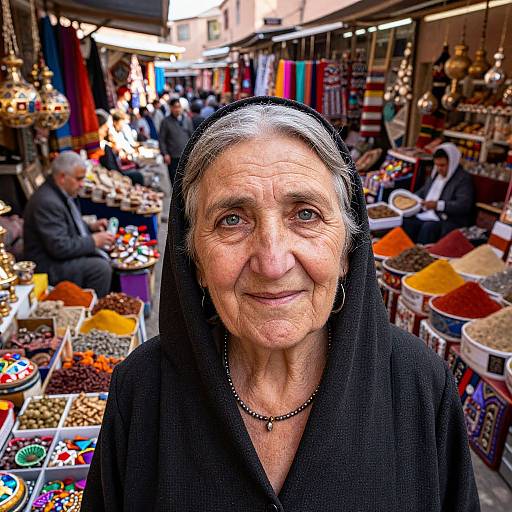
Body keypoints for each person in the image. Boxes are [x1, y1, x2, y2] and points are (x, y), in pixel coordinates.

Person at [82, 98, 479, 511]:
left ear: (346, 248)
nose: (272, 263)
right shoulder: (142, 390)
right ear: (194, 259)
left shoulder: (419, 383)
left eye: (305, 215)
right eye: (232, 220)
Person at [23, 152, 114, 297]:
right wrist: (93, 240)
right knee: (100, 269)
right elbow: (60, 247)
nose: (82, 184)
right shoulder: (47, 202)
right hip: (48, 265)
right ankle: (92, 311)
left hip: (57, 257)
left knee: (108, 254)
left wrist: (90, 227)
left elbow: (67, 223)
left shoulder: (60, 193)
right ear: (62, 177)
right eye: (78, 179)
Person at [403, 143, 474, 244]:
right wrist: (411, 199)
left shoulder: (462, 179)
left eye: (443, 165)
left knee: (429, 227)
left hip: (448, 219)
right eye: (437, 165)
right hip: (427, 214)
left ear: (452, 162)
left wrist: (438, 205)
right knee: (407, 222)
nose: (439, 168)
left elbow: (463, 205)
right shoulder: (436, 174)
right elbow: (423, 191)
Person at [158, 98, 193, 185]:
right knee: (174, 180)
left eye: (179, 107)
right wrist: (165, 153)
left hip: (185, 155)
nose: (177, 109)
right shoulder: (166, 122)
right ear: (170, 108)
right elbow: (162, 139)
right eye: (175, 107)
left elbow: (192, 136)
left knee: (185, 179)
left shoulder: (187, 120)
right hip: (173, 156)